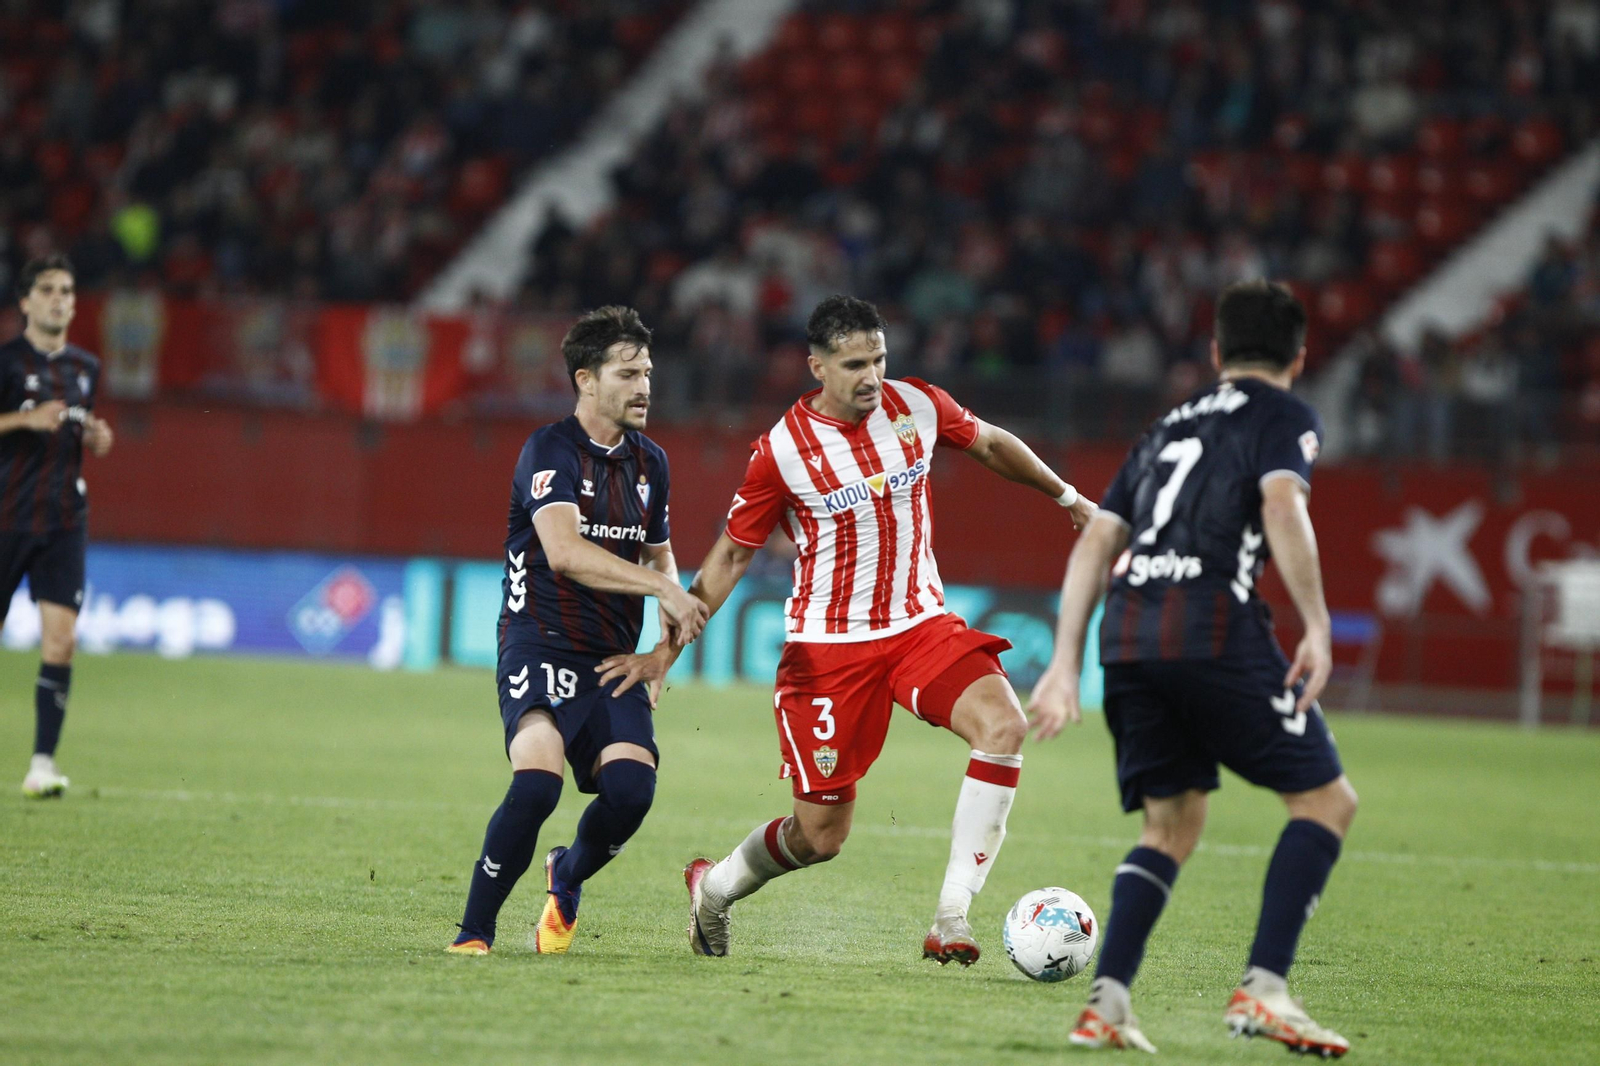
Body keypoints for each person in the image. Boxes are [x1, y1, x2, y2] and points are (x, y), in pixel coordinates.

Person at [599, 295, 1095, 964]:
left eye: (879, 359)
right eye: (855, 364)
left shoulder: (916, 404)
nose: (872, 376)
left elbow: (990, 442)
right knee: (820, 837)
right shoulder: (783, 451)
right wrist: (667, 649)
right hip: (830, 652)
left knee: (1004, 726)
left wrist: (1069, 498)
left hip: (922, 626)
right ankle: (713, 888)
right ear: (818, 368)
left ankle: (951, 916)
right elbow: (733, 554)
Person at [1026, 280, 1358, 1057]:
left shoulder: (1166, 425)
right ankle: (1265, 990)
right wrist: (1317, 624)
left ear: (1215, 352)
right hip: (1210, 625)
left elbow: (1097, 542)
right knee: (1326, 802)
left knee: (1171, 824)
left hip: (1127, 636)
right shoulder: (1285, 415)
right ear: (1299, 357)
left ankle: (1106, 1005)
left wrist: (1064, 663)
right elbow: (1282, 504)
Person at [446, 306, 710, 956]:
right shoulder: (549, 450)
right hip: (537, 642)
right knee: (537, 782)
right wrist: (663, 589)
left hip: (612, 658)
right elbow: (564, 553)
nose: (644, 387)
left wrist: (662, 656)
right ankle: (474, 934)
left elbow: (661, 558)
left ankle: (566, 875)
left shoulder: (651, 463)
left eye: (648, 374)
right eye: (628, 374)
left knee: (631, 792)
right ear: (586, 380)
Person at [2, 255, 113, 798]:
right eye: (47, 289)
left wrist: (95, 438)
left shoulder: (86, 368)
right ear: (25, 301)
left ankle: (42, 764)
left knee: (62, 640)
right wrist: (24, 418)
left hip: (65, 520)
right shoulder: (5, 363)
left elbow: (78, 430)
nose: (58, 299)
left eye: (66, 291)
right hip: (6, 518)